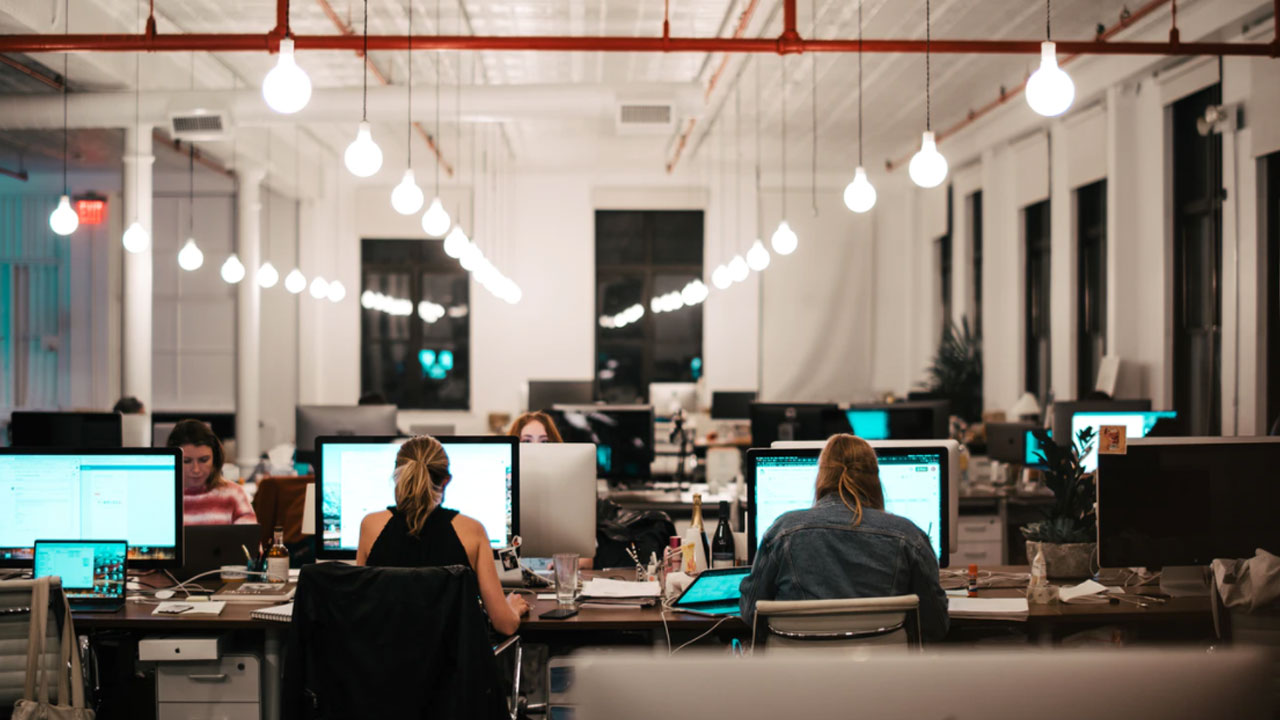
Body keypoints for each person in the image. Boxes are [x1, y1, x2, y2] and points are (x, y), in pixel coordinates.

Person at [738, 434, 949, 641]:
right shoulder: (909, 537)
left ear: (822, 477)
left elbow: (750, 613)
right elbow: (936, 624)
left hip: (801, 672)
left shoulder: (783, 532)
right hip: (883, 672)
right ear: (875, 480)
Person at [355, 435, 528, 635]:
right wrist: (512, 609)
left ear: (397, 476)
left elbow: (360, 608)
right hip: (453, 665)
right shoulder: (472, 531)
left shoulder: (371, 526)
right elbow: (504, 625)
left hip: (383, 663)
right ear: (446, 481)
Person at [167, 419, 257, 526]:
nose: (196, 469)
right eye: (186, 461)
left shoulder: (234, 494)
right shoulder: (159, 496)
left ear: (215, 458)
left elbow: (249, 541)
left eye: (203, 460)